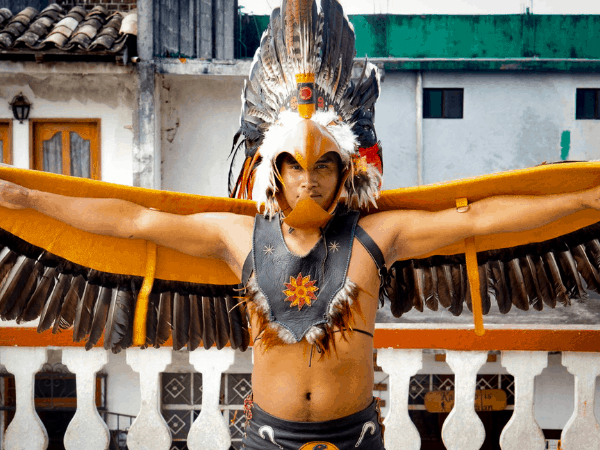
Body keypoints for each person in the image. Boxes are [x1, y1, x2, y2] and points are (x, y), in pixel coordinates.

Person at [2, 1, 600, 449]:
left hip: (357, 437)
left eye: (322, 167)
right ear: (272, 172)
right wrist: (24, 193)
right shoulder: (235, 237)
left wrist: (583, 202)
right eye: (292, 167)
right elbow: (134, 219)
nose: (307, 181)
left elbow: (482, 219)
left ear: (345, 171)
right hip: (264, 437)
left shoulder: (378, 236)